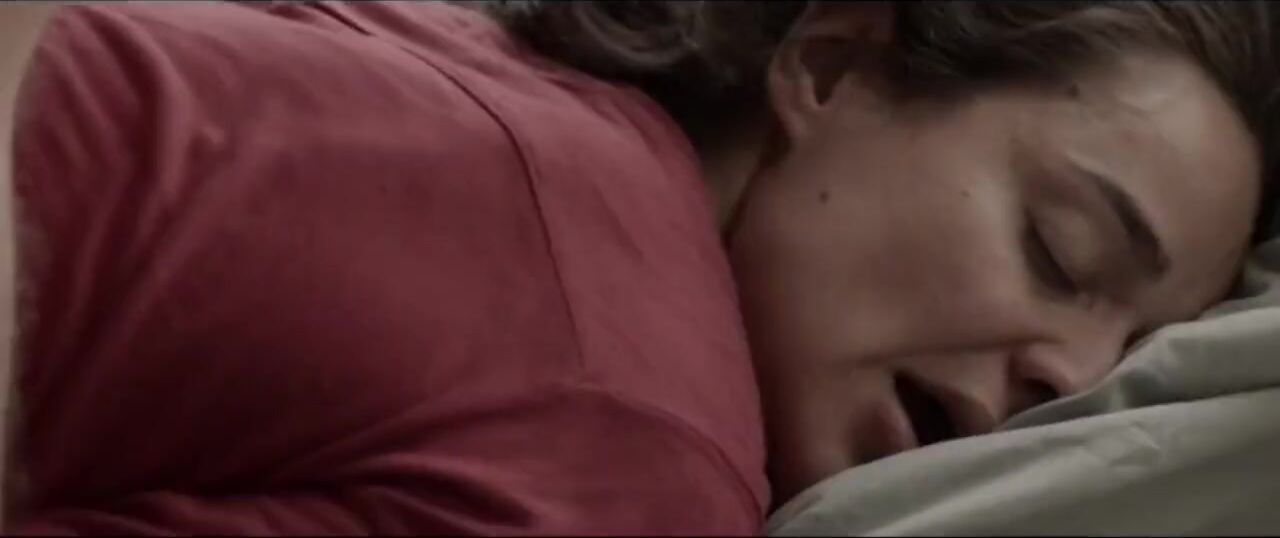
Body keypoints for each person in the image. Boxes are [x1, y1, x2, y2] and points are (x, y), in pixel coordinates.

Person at [1, 0, 1276, 534]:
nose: (1071, 374)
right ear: (831, 65)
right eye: (1058, 249)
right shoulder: (644, 448)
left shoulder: (457, 68)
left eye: (1129, 353)